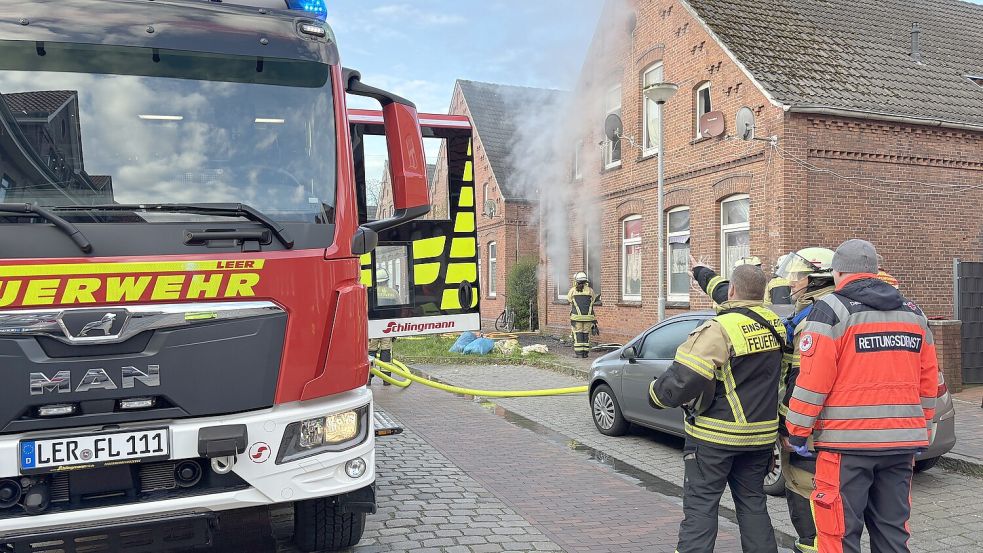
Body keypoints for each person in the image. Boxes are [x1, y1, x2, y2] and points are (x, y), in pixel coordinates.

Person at [786, 239, 938, 553]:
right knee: (893, 534)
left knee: (839, 535)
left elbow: (813, 382)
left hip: (846, 447)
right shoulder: (913, 313)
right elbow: (929, 382)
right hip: (901, 445)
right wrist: (921, 427)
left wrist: (797, 431)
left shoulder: (831, 310)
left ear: (838, 272)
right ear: (874, 271)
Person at [649, 265, 786, 553]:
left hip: (715, 438)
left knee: (701, 506)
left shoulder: (720, 328)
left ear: (733, 290)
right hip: (761, 438)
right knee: (753, 505)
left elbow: (684, 378)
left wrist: (655, 396)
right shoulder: (776, 324)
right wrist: (701, 272)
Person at [774, 247, 836, 552]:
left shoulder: (814, 317)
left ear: (816, 279)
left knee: (803, 484)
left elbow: (802, 379)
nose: (791, 282)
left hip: (809, 425)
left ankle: (812, 545)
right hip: (823, 422)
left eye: (797, 276)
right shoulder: (825, 308)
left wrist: (790, 427)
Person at [368, 267, 400, 385]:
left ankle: (368, 379)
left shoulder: (370, 293)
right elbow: (399, 310)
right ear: (386, 280)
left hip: (373, 327)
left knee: (371, 351)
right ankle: (386, 380)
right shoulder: (394, 293)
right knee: (386, 351)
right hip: (387, 327)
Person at [567, 272, 597, 358]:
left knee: (578, 334)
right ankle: (585, 354)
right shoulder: (590, 290)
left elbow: (569, 300)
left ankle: (579, 354)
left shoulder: (573, 290)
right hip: (588, 317)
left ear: (576, 281)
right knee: (586, 334)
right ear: (585, 281)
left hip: (576, 318)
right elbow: (593, 300)